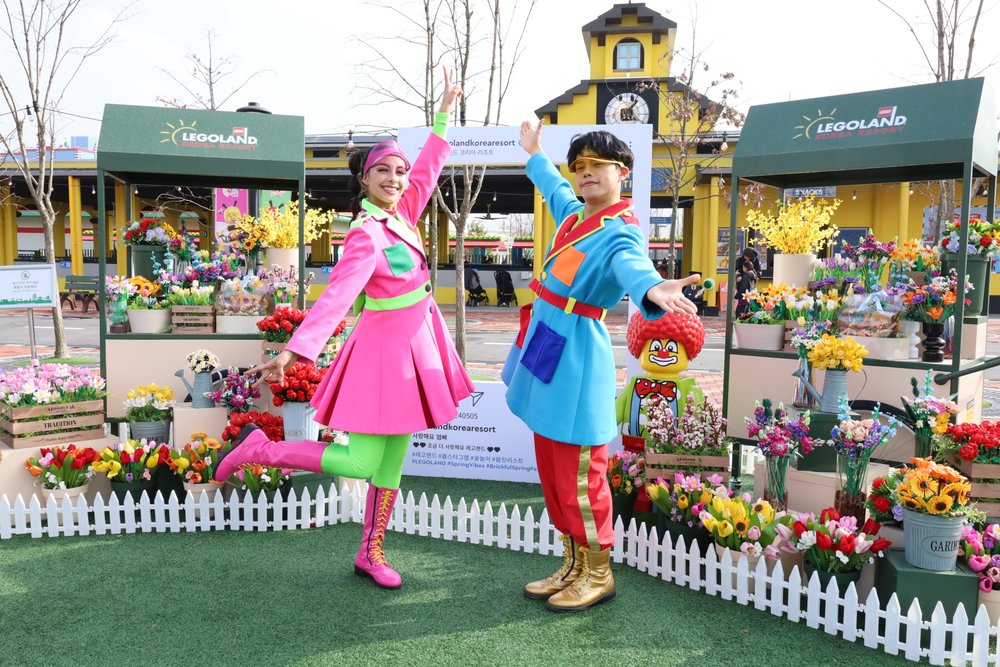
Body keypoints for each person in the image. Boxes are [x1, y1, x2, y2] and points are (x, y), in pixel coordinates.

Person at [215, 67, 473, 590]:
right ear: (365, 178)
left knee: (394, 459)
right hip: (382, 354)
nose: (396, 179)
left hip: (417, 348)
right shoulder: (365, 233)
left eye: (400, 172)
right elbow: (337, 296)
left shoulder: (405, 213)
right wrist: (297, 349)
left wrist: (444, 112)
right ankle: (261, 449)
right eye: (384, 171)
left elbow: (430, 164)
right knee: (359, 460)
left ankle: (370, 553)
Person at [502, 120, 698, 612]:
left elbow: (634, 266)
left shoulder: (619, 233)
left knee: (580, 474)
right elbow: (552, 188)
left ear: (623, 172)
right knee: (550, 465)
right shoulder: (575, 217)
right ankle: (572, 563)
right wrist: (534, 154)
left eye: (597, 165)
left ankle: (598, 571)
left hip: (576, 353)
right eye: (579, 166)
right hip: (546, 340)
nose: (585, 174)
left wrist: (653, 290)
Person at [734, 254, 759, 319]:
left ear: (746, 268)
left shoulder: (746, 276)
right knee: (747, 312)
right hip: (750, 297)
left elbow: (743, 287)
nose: (742, 269)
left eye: (743, 267)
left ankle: (739, 326)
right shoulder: (753, 275)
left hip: (744, 297)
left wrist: (737, 295)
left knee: (740, 313)